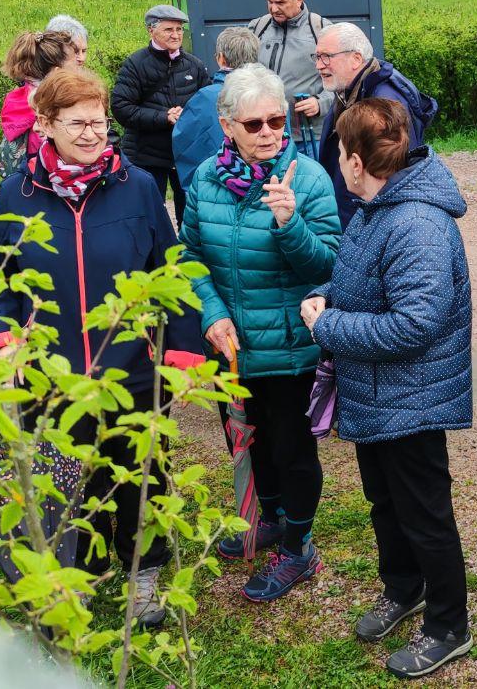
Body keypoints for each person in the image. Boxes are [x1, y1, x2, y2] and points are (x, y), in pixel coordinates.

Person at [0, 66, 204, 629]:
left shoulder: (138, 186)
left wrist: (178, 346)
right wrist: (5, 333)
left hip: (131, 369)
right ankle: (68, 572)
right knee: (61, 476)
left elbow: (168, 271)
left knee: (140, 473)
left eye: (98, 122)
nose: (90, 134)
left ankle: (143, 571)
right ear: (47, 124)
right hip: (50, 375)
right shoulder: (19, 193)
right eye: (76, 123)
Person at [301, 98, 472, 678]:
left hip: (412, 400)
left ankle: (449, 625)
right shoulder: (377, 208)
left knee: (425, 514)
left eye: (340, 153)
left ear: (353, 160)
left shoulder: (416, 223)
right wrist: (330, 293)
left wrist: (327, 324)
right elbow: (362, 276)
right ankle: (405, 589)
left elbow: (414, 324)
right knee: (385, 503)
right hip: (374, 393)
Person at [179, 63, 341, 603]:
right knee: (247, 441)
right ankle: (269, 517)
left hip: (290, 350)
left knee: (292, 449)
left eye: (277, 120)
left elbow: (329, 266)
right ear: (228, 127)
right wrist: (210, 312)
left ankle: (298, 547)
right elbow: (190, 256)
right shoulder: (205, 178)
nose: (270, 131)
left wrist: (289, 223)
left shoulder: (310, 178)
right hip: (232, 348)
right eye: (255, 124)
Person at [311, 23, 437, 226]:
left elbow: (395, 178)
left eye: (327, 56)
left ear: (356, 59)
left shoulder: (383, 103)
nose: (319, 65)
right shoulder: (349, 90)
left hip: (370, 221)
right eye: (317, 57)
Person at [111, 4, 210, 225]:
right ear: (151, 30)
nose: (176, 35)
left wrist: (188, 117)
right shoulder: (135, 65)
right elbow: (121, 107)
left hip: (185, 153)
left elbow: (208, 106)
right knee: (147, 215)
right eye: (169, 30)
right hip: (146, 155)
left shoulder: (195, 66)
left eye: (179, 29)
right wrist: (163, 117)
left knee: (191, 215)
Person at [250, 0, 333, 155]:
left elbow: (343, 79)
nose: (273, 9)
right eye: (269, 1)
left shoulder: (321, 29)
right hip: (267, 134)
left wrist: (321, 103)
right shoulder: (257, 27)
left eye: (280, 2)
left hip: (311, 137)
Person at [172, 27, 262, 190]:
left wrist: (195, 191)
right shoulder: (272, 93)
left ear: (220, 58)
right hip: (263, 189)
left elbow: (185, 146)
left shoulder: (205, 98)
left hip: (216, 188)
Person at [0, 30, 76, 177]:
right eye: (74, 59)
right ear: (56, 71)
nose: (80, 62)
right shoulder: (50, 103)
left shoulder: (22, 98)